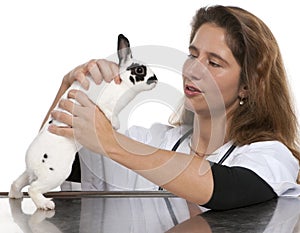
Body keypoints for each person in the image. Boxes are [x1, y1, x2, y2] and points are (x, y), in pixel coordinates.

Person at [45, 5, 300, 210]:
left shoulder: (271, 155)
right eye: (192, 55)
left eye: (214, 63)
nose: (192, 69)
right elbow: (53, 161)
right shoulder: (153, 139)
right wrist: (69, 87)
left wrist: (110, 142)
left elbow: (228, 189)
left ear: (247, 85)